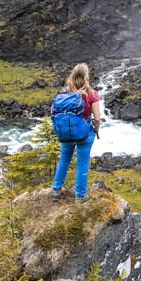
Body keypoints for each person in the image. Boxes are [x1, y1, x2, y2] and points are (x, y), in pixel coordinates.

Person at [51, 63, 101, 203]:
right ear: (86, 76)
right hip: (84, 134)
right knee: (83, 162)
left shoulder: (64, 92)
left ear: (72, 75)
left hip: (67, 132)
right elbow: (97, 118)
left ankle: (56, 190)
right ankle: (80, 196)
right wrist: (96, 130)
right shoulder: (92, 94)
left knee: (64, 159)